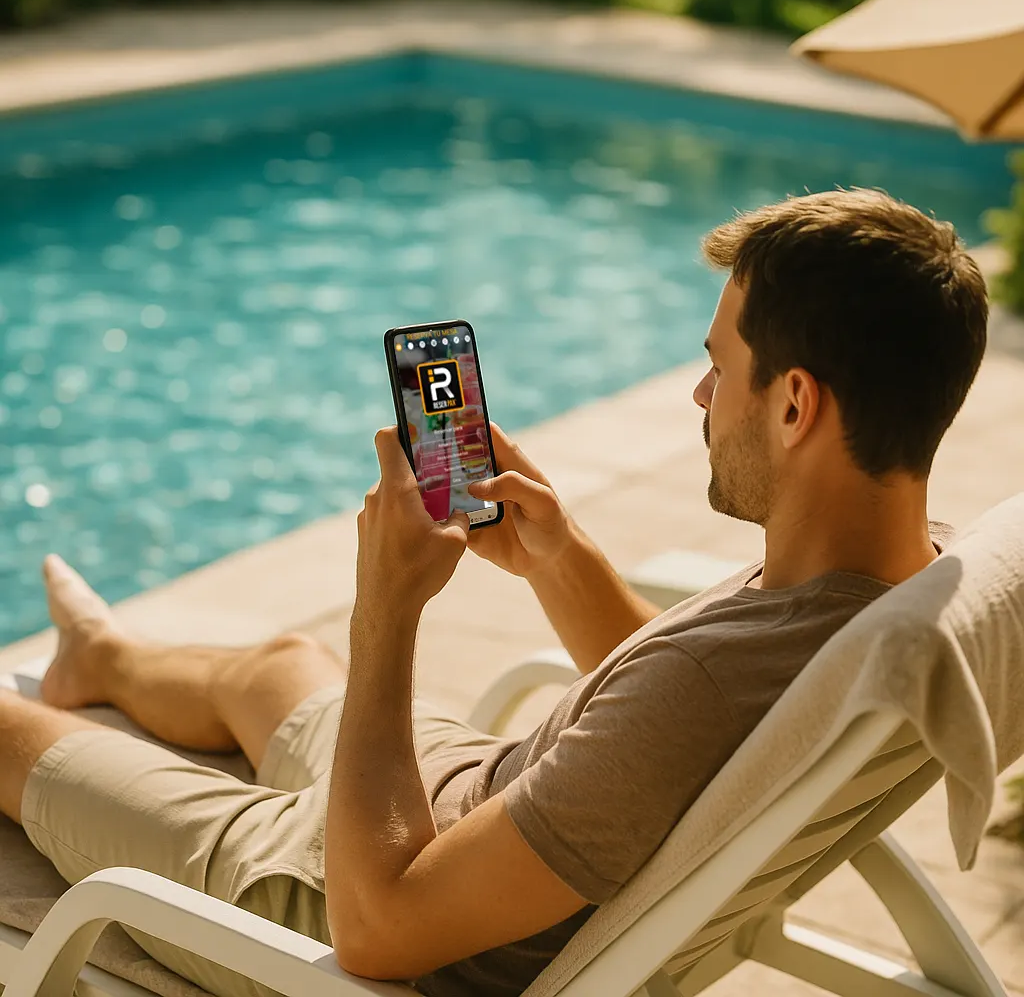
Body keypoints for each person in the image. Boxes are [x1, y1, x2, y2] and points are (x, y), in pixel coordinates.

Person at [0, 188, 988, 997]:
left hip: (342, 887)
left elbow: (381, 928)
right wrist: (557, 556)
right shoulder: (905, 571)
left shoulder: (701, 685)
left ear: (793, 401)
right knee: (277, 665)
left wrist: (385, 611)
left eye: (716, 367)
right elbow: (695, 716)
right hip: (478, 795)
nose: (699, 397)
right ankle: (101, 658)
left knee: (11, 735)